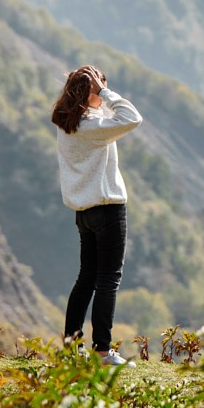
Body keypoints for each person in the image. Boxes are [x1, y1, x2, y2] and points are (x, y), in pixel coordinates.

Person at [51, 65, 143, 366]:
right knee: (108, 279)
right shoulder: (93, 127)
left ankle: (71, 347)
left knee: (86, 278)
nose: (105, 92)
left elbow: (109, 119)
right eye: (102, 86)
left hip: (84, 212)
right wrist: (104, 91)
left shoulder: (68, 124)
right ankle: (103, 350)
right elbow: (132, 118)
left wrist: (96, 90)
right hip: (108, 209)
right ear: (91, 91)